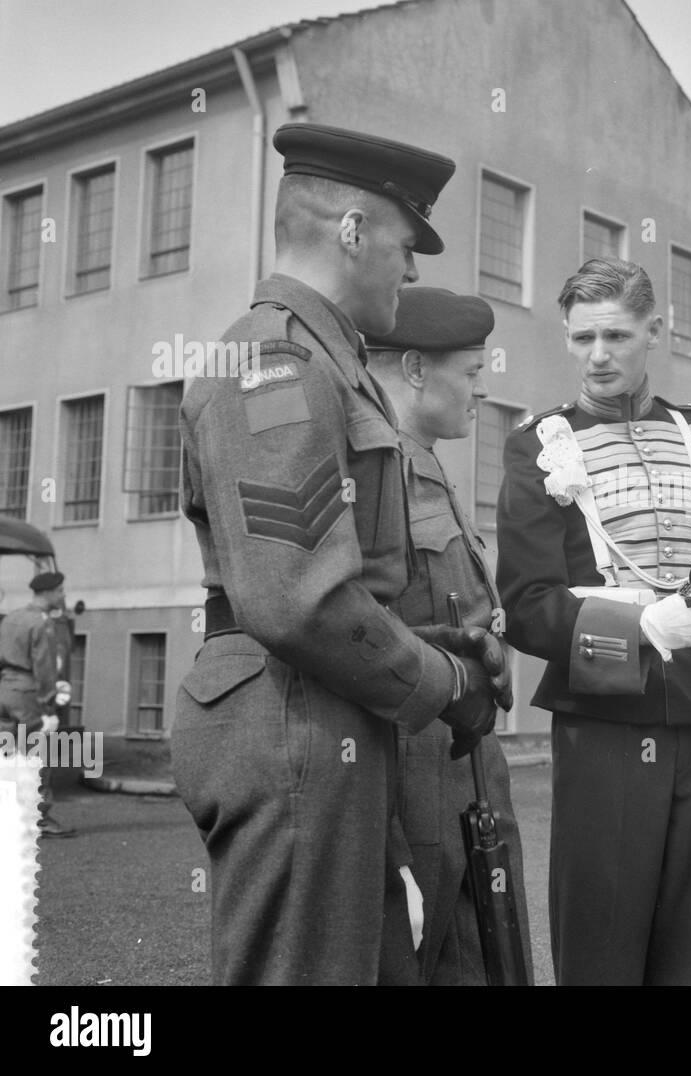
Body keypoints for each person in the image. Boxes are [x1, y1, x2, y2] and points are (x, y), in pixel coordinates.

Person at [172, 122, 503, 986]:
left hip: (322, 715)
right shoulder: (276, 360)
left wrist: (440, 655)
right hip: (290, 721)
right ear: (352, 230)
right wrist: (442, 685)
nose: (414, 268)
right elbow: (297, 597)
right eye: (405, 242)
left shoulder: (327, 358)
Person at [496, 257, 691, 985]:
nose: (598, 355)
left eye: (615, 335)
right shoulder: (539, 445)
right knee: (602, 944)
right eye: (581, 339)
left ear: (654, 332)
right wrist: (645, 628)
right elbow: (529, 607)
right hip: (606, 721)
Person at [366, 286, 532, 985]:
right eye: (470, 371)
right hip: (410, 782)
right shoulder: (377, 477)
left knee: (487, 963)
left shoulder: (428, 468)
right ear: (412, 368)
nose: (482, 387)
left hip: (470, 775)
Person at [0, 571, 75, 837]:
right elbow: (45, 669)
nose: (63, 595)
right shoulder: (42, 623)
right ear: (49, 592)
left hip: (5, 689)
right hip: (29, 691)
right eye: (60, 590)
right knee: (37, 755)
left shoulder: (11, 618)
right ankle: (38, 818)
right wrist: (48, 708)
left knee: (7, 755)